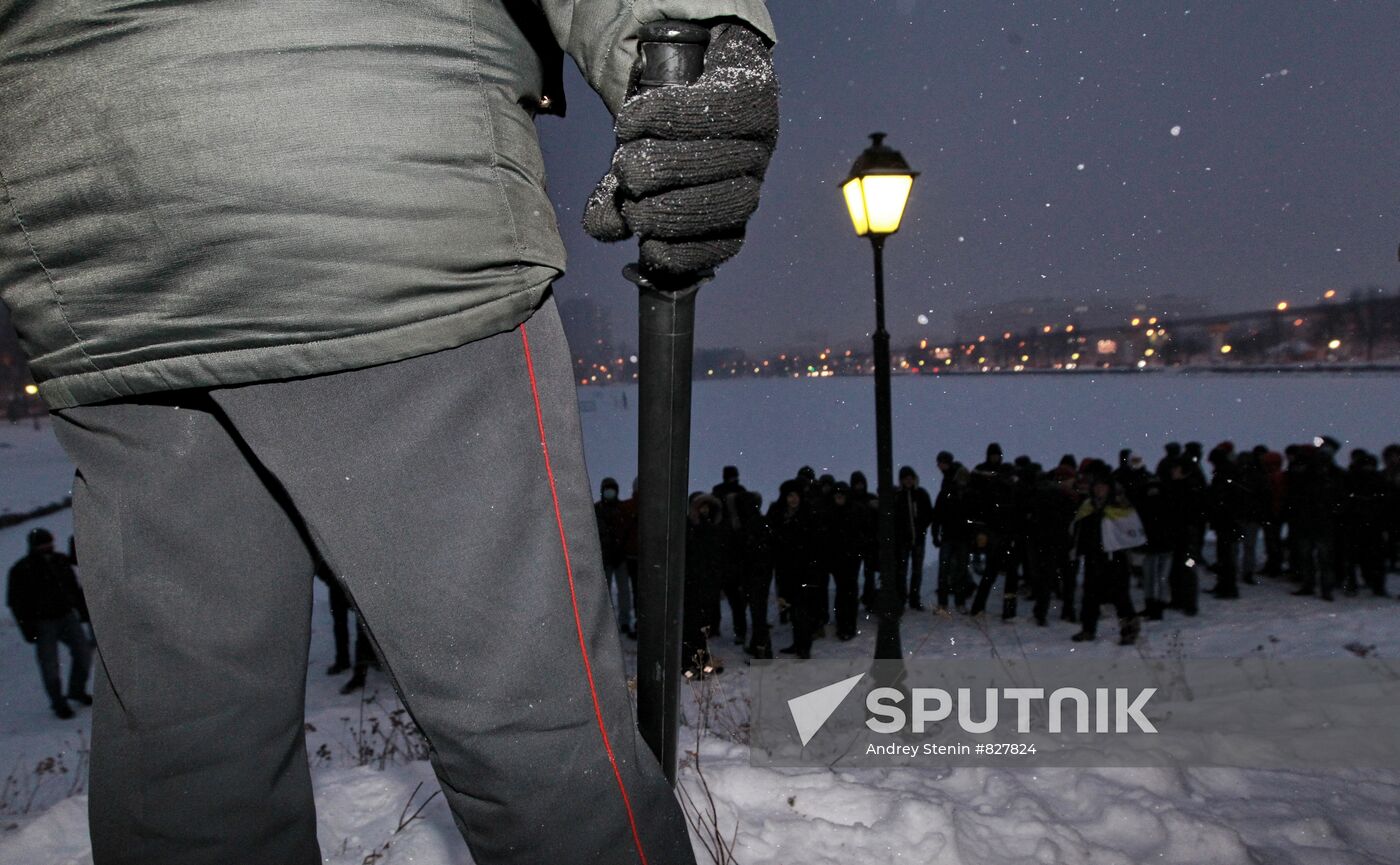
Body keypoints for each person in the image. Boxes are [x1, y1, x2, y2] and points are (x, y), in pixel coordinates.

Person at [0, 2, 778, 862]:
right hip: (379, 190)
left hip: (92, 222)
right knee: (534, 742)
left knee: (191, 759)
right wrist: (687, 23)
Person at [7, 527, 93, 719]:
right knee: (50, 666)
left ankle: (76, 691)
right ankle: (58, 703)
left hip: (67, 617)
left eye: (50, 543)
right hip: (43, 624)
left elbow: (74, 589)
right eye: (44, 544)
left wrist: (84, 612)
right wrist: (28, 630)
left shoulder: (60, 561)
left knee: (84, 654)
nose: (48, 547)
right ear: (34, 546)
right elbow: (16, 603)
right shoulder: (21, 569)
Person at [1070, 472, 1141, 645]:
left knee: (1120, 596)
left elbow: (1131, 529)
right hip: (1094, 557)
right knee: (1090, 595)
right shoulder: (1088, 505)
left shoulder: (1120, 506)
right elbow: (1079, 529)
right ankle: (1088, 629)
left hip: (1116, 557)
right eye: (1097, 486)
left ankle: (1129, 630)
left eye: (1103, 486)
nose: (1099, 489)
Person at [595, 477, 635, 637]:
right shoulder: (597, 509)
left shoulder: (622, 509)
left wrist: (621, 547)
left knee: (624, 592)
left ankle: (624, 621)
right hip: (604, 558)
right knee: (604, 593)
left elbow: (627, 532)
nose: (609, 492)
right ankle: (605, 624)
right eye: (607, 489)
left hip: (620, 557)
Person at [894, 465, 935, 610]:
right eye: (906, 479)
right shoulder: (897, 496)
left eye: (911, 478)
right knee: (902, 571)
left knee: (917, 571)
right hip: (903, 541)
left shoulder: (921, 494)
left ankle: (914, 599)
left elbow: (929, 514)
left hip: (918, 539)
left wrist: (921, 527)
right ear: (901, 480)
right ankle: (902, 598)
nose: (909, 481)